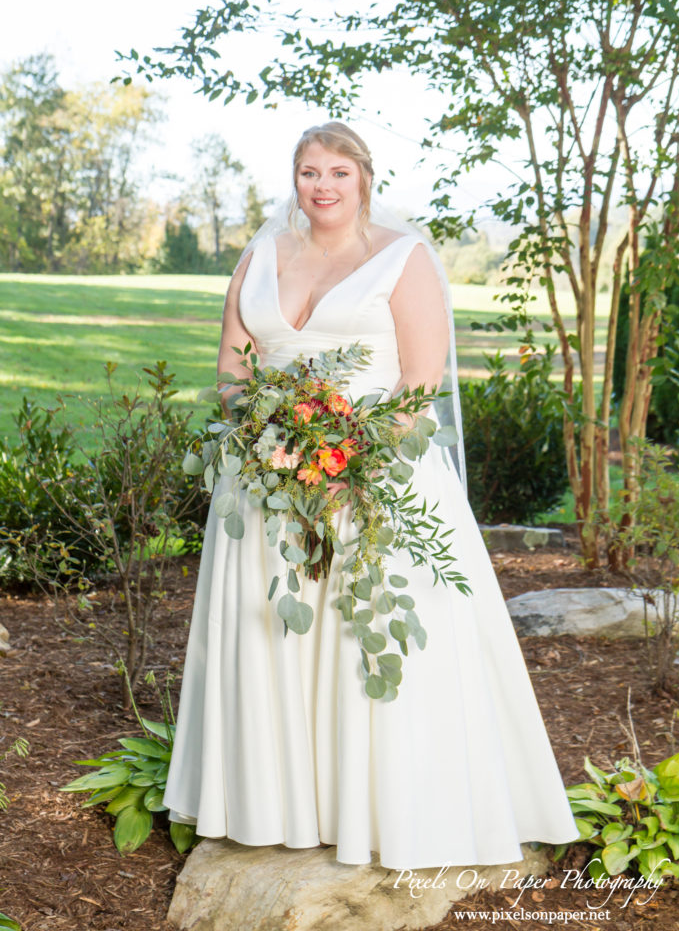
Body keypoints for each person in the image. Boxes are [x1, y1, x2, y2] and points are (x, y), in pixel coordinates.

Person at [163, 121, 579, 870]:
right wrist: (266, 436)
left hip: (374, 474)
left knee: (366, 634)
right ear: (293, 180)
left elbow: (417, 387)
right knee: (270, 632)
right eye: (307, 172)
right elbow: (232, 369)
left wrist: (342, 453)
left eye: (336, 173)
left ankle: (387, 811)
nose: (320, 186)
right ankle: (279, 805)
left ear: (363, 179)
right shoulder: (259, 255)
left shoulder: (402, 259)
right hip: (266, 478)